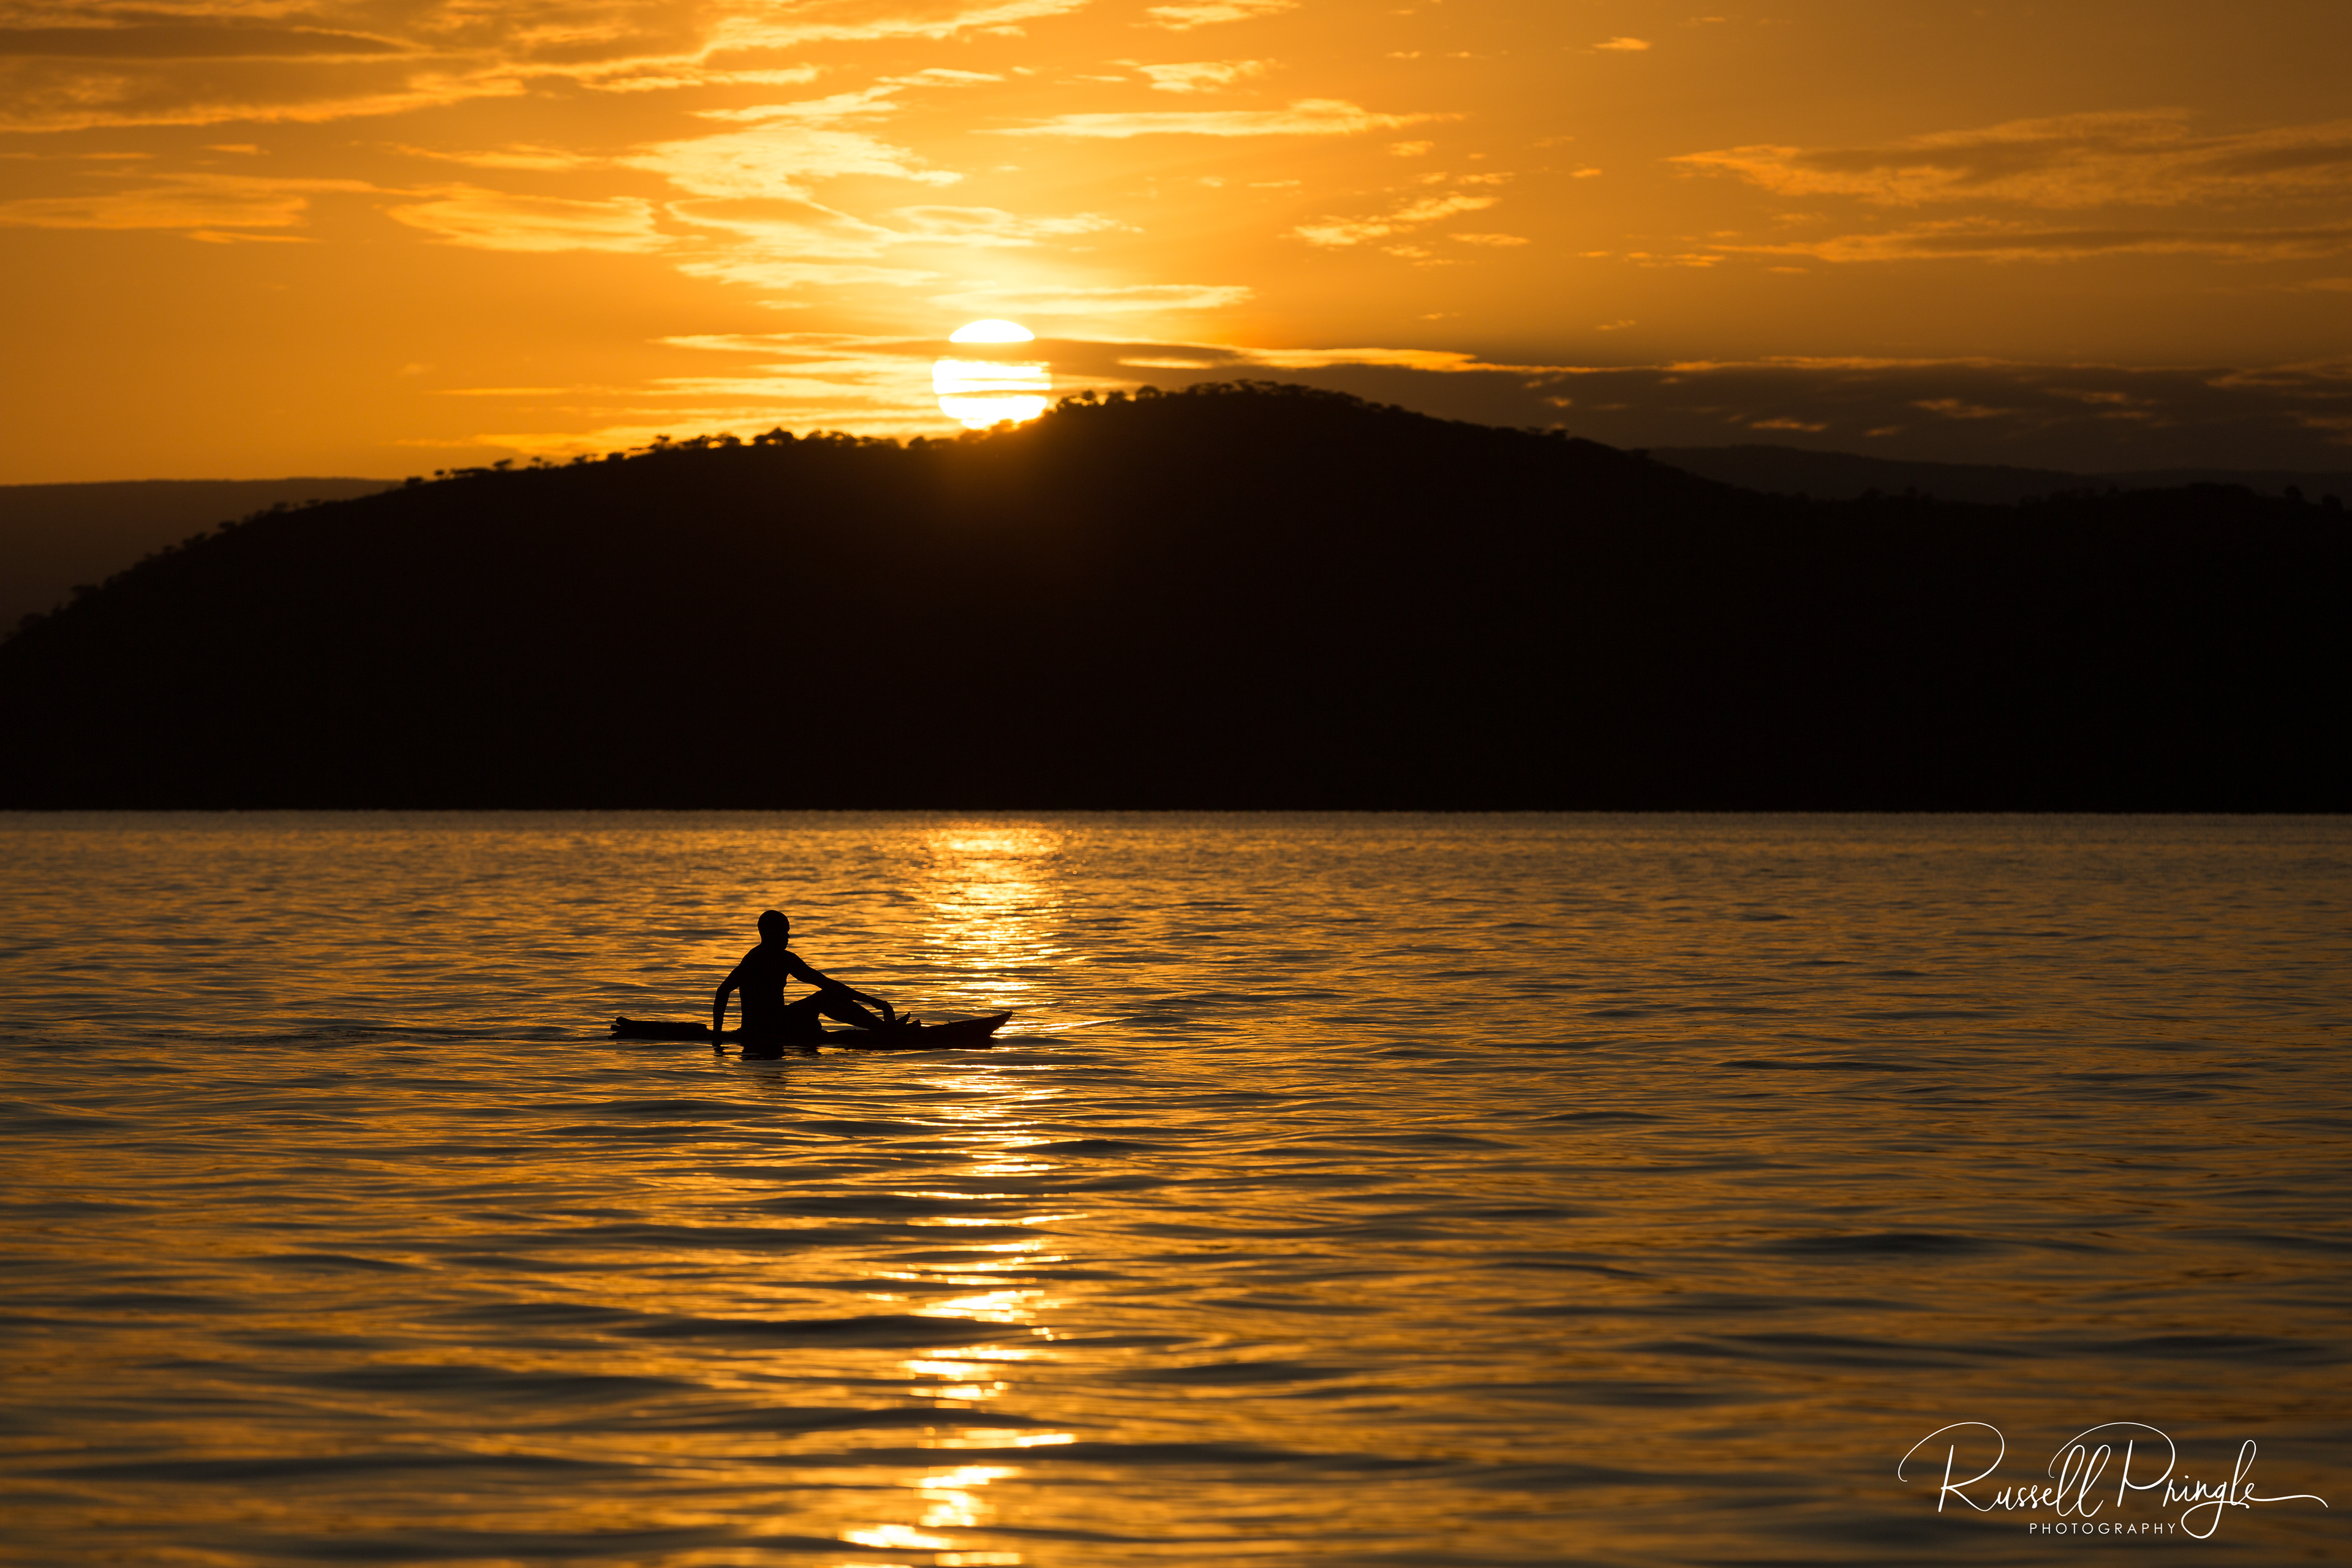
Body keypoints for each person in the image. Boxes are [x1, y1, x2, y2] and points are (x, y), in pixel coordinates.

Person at [713, 911, 916, 1055]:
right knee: (823, 999)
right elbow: (722, 992)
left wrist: (873, 1001)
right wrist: (717, 1037)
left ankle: (882, 1029)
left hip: (778, 1022)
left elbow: (826, 983)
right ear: (770, 933)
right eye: (784, 932)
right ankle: (885, 1031)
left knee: (825, 995)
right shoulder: (755, 960)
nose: (788, 936)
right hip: (764, 1029)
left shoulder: (782, 958)